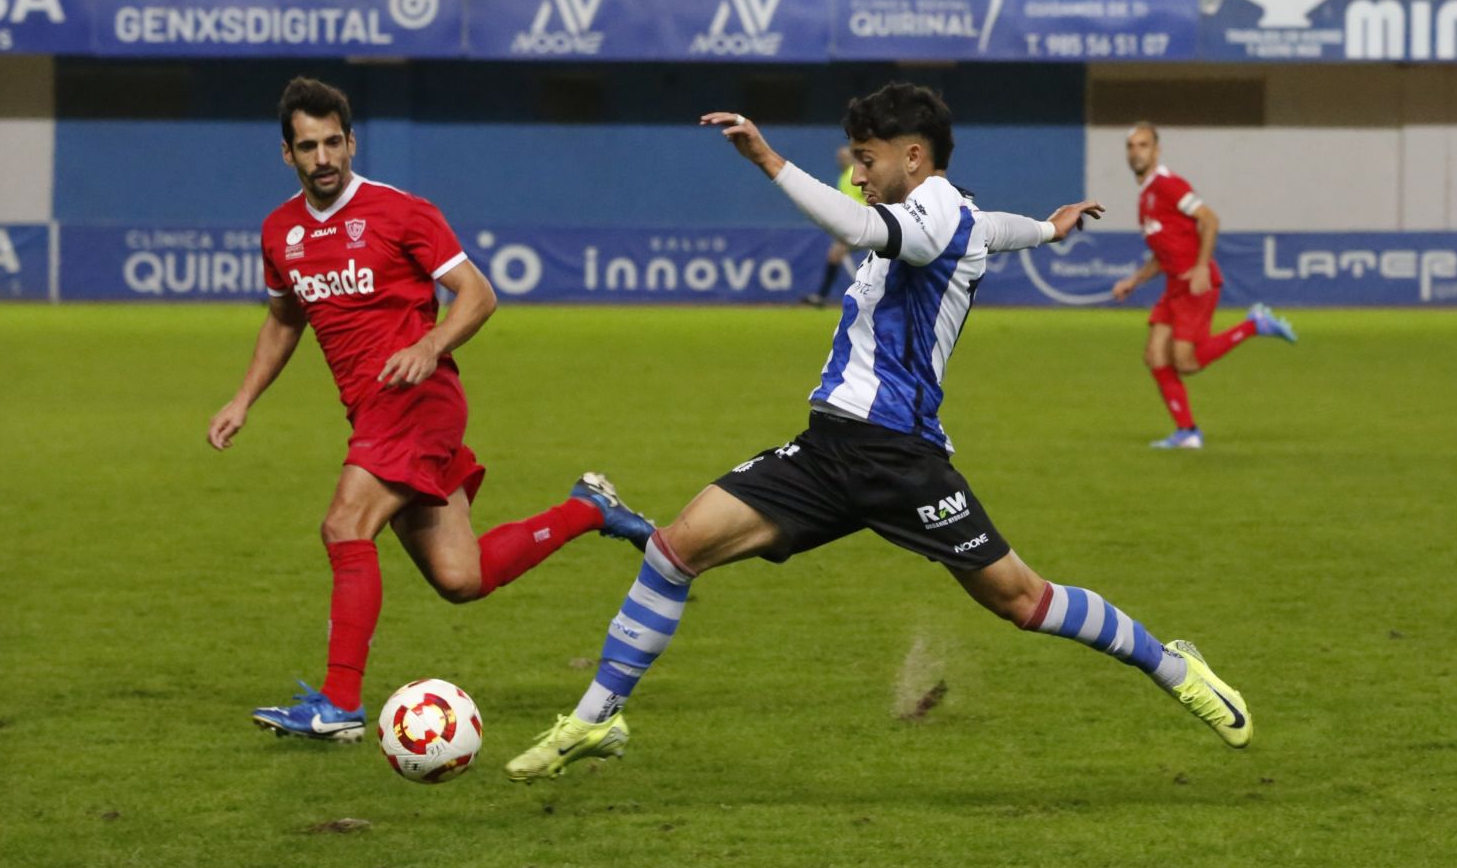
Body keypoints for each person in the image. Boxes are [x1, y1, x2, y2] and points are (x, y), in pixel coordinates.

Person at [504, 84, 1255, 783]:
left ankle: (1174, 666)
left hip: (902, 460)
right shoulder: (953, 214)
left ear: (913, 157)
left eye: (867, 159)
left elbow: (876, 225)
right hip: (829, 449)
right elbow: (994, 225)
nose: (858, 175)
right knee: (673, 552)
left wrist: (766, 158)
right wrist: (1049, 230)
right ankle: (596, 720)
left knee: (1023, 601)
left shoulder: (932, 216)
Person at [216, 77, 655, 743]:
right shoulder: (280, 232)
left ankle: (339, 705)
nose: (324, 157)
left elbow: (477, 295)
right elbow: (284, 319)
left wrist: (430, 343)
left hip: (418, 401)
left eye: (334, 141)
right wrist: (243, 398)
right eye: (308, 147)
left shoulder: (401, 212)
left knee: (344, 526)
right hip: (372, 415)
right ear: (288, 155)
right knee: (461, 577)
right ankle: (588, 508)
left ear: (351, 141)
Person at [1109, 123, 1296, 451]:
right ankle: (1187, 432)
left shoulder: (1169, 185)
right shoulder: (1146, 197)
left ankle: (1254, 325)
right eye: (1131, 146)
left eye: (1143, 145)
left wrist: (1199, 268)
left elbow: (1210, 219)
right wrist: (1133, 282)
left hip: (1197, 285)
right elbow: (1161, 255)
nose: (1136, 151)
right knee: (1155, 356)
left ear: (1156, 150)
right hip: (1174, 286)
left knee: (1186, 363)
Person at [802, 145, 864, 306]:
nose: (840, 160)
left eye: (843, 157)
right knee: (835, 254)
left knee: (837, 253)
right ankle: (822, 296)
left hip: (864, 223)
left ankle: (824, 295)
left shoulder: (854, 174)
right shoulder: (843, 177)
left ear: (851, 158)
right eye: (839, 158)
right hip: (853, 224)